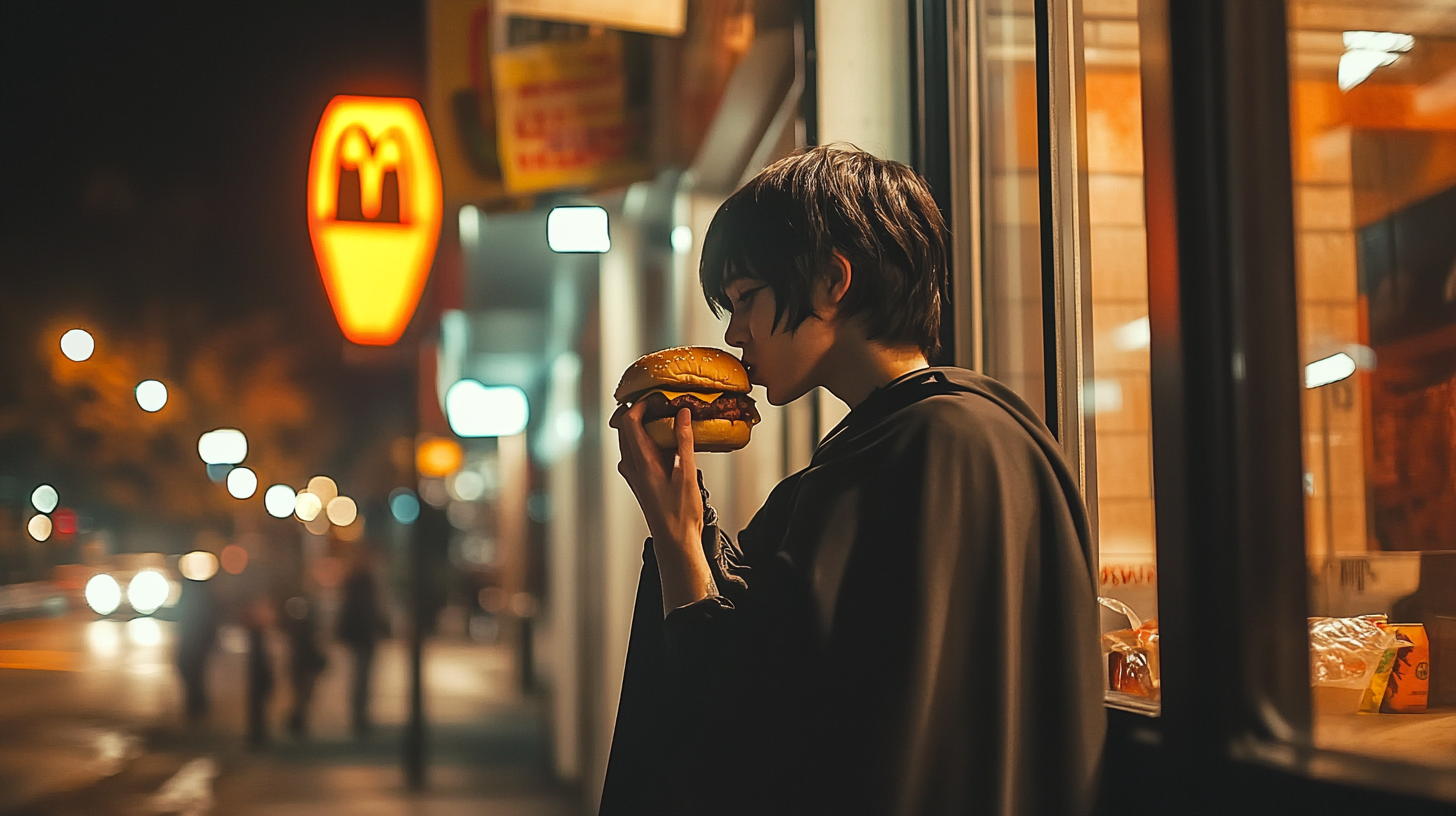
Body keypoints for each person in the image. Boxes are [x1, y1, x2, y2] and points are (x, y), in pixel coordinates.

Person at [602, 146, 1105, 816]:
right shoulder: (998, 435)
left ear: (832, 282)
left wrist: (677, 538)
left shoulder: (902, 456)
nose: (734, 331)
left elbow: (761, 730)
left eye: (747, 297)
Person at [337, 546, 388, 737]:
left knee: (363, 677)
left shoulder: (366, 581)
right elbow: (357, 610)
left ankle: (361, 714)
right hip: (361, 636)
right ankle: (359, 716)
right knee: (361, 677)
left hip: (365, 635)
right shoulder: (360, 581)